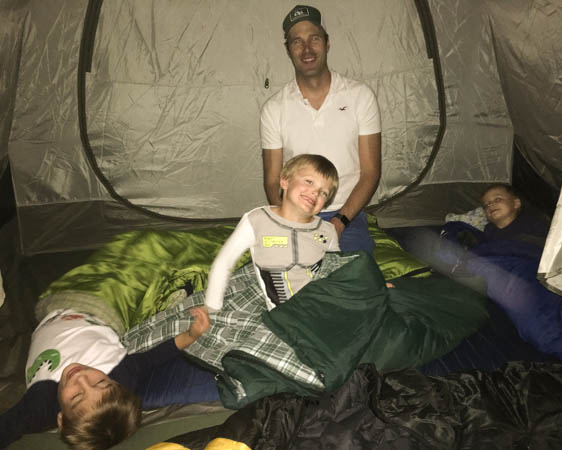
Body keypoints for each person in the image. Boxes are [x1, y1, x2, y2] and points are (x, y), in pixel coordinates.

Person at [260, 4, 382, 253]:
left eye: (314, 39)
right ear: (288, 49)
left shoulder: (360, 96)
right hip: (297, 214)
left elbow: (370, 172)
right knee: (277, 268)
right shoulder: (274, 108)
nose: (307, 49)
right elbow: (272, 180)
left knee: (355, 272)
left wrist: (340, 222)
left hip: (347, 215)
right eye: (297, 41)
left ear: (327, 43)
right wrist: (292, 220)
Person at [0, 307, 210, 450]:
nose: (81, 378)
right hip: (89, 311)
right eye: (101, 382)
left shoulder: (40, 407)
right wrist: (191, 335)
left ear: (61, 419)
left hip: (44, 318)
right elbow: (151, 359)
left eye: (76, 397)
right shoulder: (121, 375)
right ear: (115, 383)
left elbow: (8, 428)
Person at [204, 154, 340, 311]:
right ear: (285, 181)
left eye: (324, 193)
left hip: (321, 308)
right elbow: (224, 263)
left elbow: (336, 272)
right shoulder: (257, 220)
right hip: (283, 314)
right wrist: (212, 309)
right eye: (309, 181)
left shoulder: (327, 231)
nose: (315, 192)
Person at [481, 183, 549, 248]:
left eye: (497, 200)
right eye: (486, 205)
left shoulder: (532, 223)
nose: (491, 205)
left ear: (516, 203)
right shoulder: (489, 230)